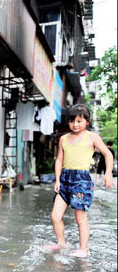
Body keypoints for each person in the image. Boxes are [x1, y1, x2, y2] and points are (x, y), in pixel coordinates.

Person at [48, 104, 113, 258]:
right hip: (64, 179)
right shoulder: (63, 138)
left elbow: (107, 154)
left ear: (87, 122)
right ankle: (61, 243)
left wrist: (108, 173)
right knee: (55, 216)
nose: (75, 125)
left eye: (79, 121)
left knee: (80, 218)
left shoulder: (92, 137)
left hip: (81, 181)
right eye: (72, 121)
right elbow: (59, 160)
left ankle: (83, 249)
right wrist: (57, 180)